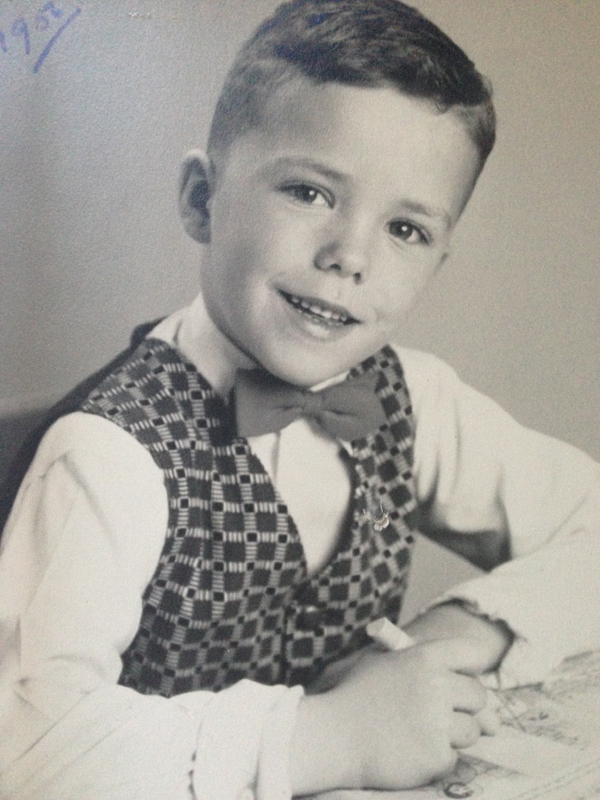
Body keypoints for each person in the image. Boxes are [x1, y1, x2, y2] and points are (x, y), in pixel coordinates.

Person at [0, 1, 599, 798]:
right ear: (201, 199)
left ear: (439, 260)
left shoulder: (411, 396)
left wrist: (469, 627)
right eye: (310, 192)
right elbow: (25, 753)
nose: (350, 255)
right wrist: (331, 734)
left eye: (406, 230)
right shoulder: (107, 454)